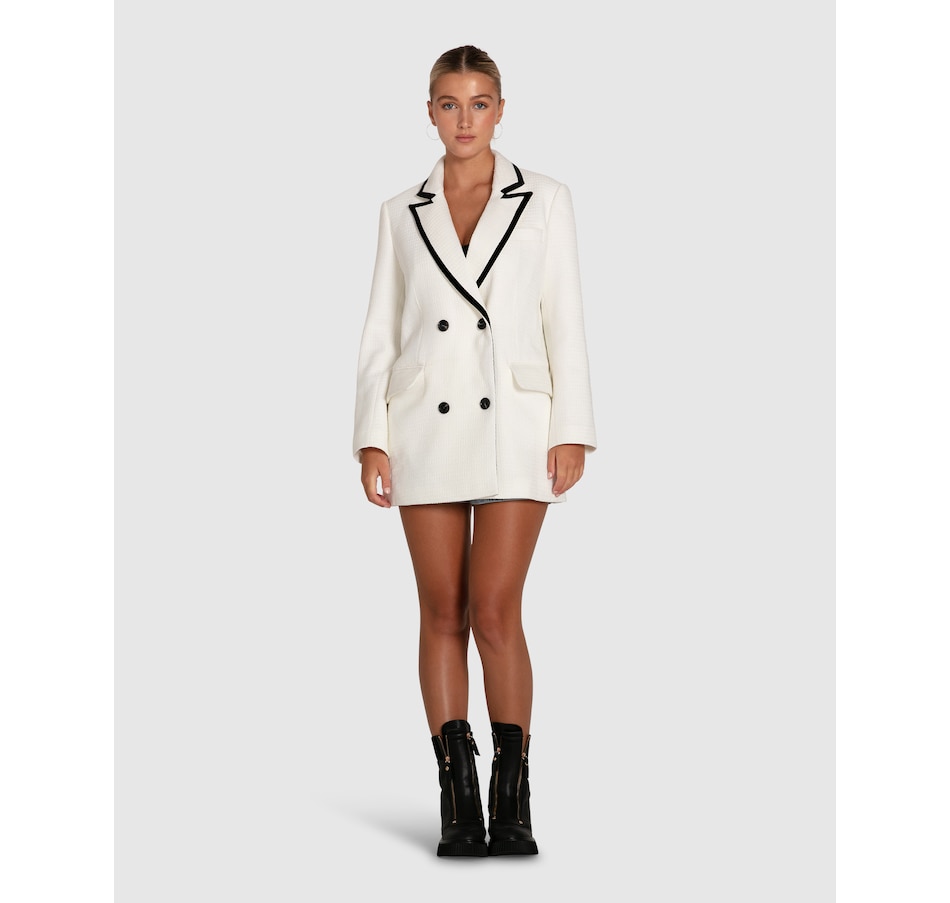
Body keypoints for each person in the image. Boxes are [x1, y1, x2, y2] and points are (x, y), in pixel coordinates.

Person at [352, 45, 596, 858]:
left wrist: (571, 424)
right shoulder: (400, 211)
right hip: (423, 424)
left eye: (479, 103)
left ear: (500, 109)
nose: (465, 119)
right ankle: (457, 800)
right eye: (450, 104)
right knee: (440, 610)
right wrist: (372, 435)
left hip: (518, 423)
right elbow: (380, 331)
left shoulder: (545, 199)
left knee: (494, 608)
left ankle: (512, 799)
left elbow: (565, 317)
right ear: (429, 111)